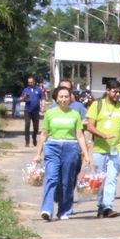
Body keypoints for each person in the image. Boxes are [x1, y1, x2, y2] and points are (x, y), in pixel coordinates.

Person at [84, 79, 120, 219]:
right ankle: (101, 206)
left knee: (112, 178)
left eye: (119, 92)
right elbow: (89, 126)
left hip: (117, 149)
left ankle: (108, 206)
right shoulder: (97, 105)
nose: (117, 94)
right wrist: (103, 135)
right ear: (107, 91)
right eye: (114, 91)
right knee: (101, 178)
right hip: (100, 149)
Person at [37, 83, 90, 222]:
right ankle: (47, 209)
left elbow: (79, 135)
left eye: (67, 96)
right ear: (57, 99)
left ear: (70, 98)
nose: (64, 99)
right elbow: (44, 134)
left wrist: (86, 153)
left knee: (67, 181)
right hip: (53, 146)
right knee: (51, 178)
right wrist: (38, 153)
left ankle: (64, 210)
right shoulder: (50, 113)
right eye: (61, 97)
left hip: (70, 148)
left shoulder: (75, 114)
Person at [20, 75, 45, 146]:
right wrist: (24, 97)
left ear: (34, 82)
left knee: (36, 127)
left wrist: (43, 106)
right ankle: (27, 142)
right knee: (27, 125)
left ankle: (34, 137)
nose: (30, 83)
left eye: (31, 82)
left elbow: (42, 98)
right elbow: (21, 99)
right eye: (29, 82)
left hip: (36, 111)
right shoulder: (25, 90)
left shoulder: (39, 90)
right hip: (27, 110)